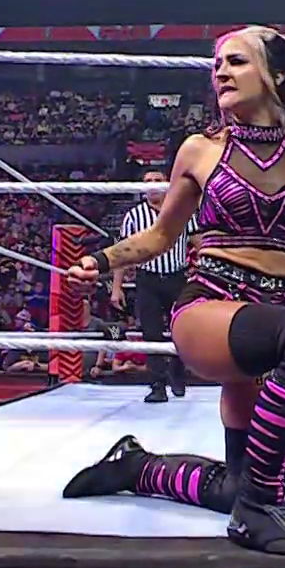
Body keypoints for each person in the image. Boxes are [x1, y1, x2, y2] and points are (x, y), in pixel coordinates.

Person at [59, 26, 285, 557]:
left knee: (235, 484)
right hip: (210, 305)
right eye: (217, 64)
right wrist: (101, 260)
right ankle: (259, 508)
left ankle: (137, 467)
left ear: (277, 77)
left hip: (272, 311)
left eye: (236, 61)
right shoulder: (200, 150)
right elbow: (161, 235)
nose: (221, 72)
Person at [112, 170, 196, 403]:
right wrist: (117, 287)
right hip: (147, 279)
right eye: (147, 181)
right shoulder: (133, 216)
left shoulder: (182, 211)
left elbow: (199, 243)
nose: (152, 185)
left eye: (157, 180)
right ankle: (157, 385)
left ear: (167, 184)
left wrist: (204, 274)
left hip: (177, 277)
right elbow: (123, 253)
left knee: (181, 329)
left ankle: (177, 370)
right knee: (151, 332)